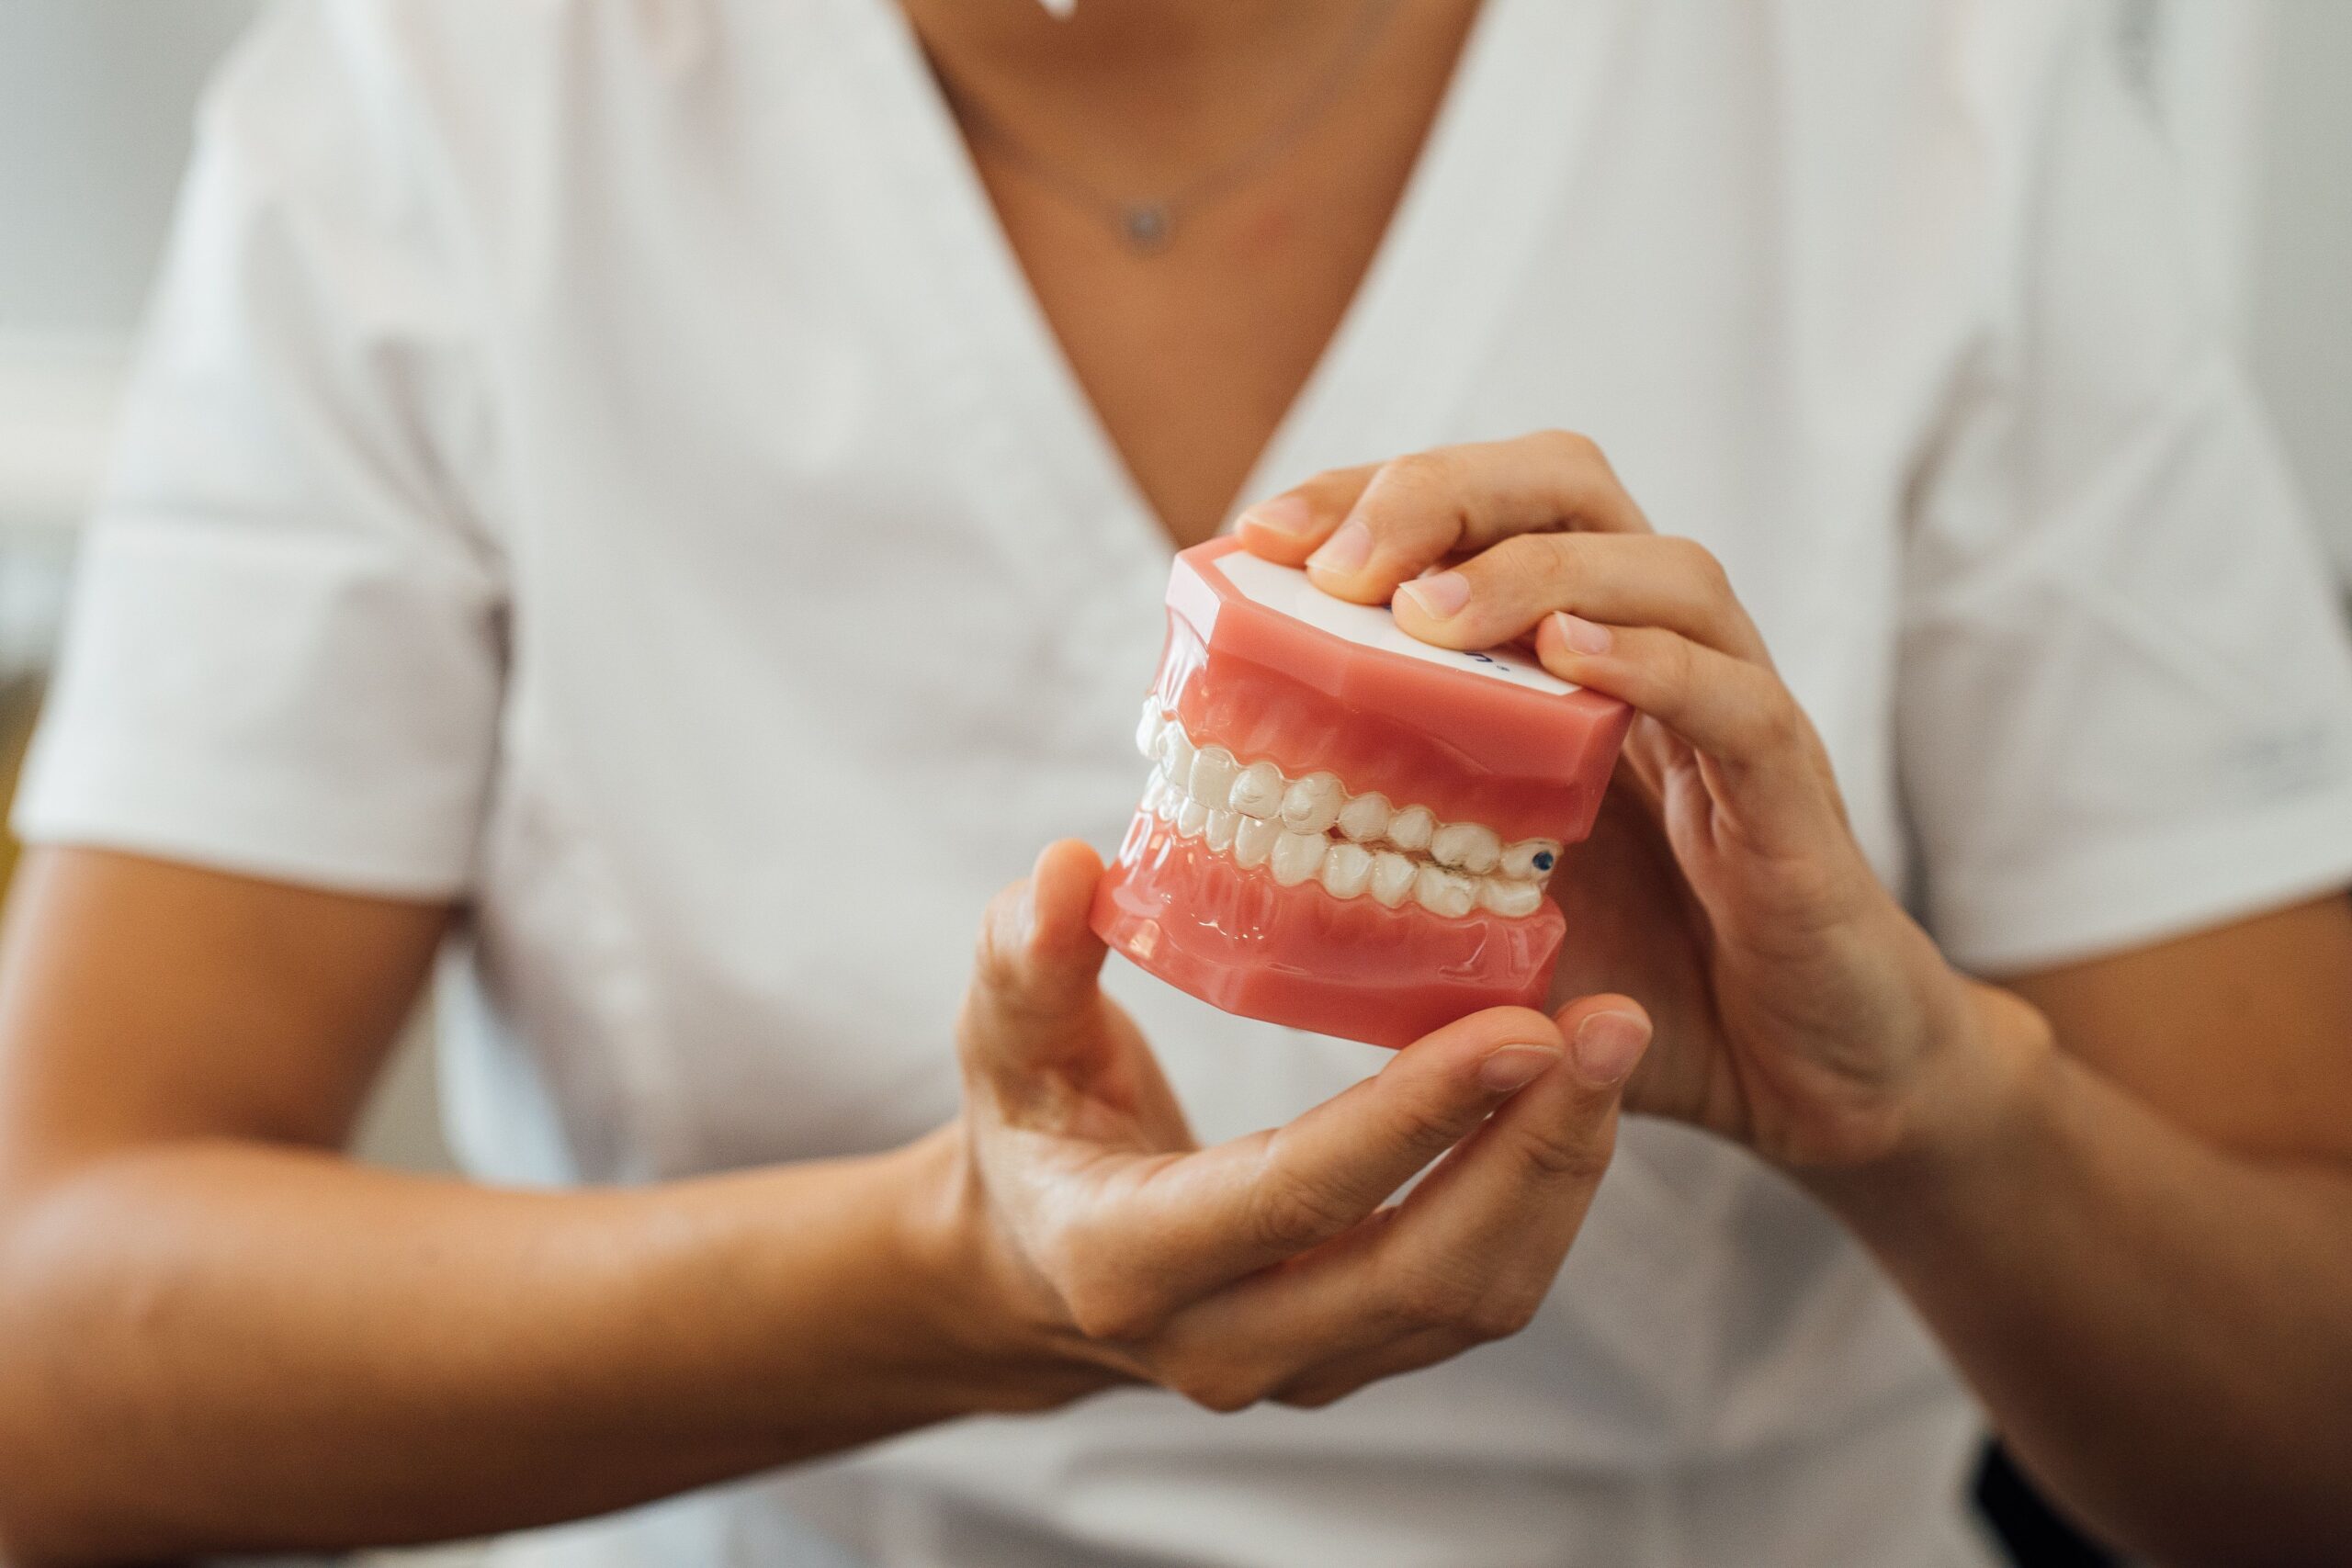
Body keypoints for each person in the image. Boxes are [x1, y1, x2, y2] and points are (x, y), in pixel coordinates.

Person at [1, 1, 2349, 1563]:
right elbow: (53, 1340)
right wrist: (952, 1272)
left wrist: (1918, 1099)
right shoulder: (427, 107)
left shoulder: (1926, 90)